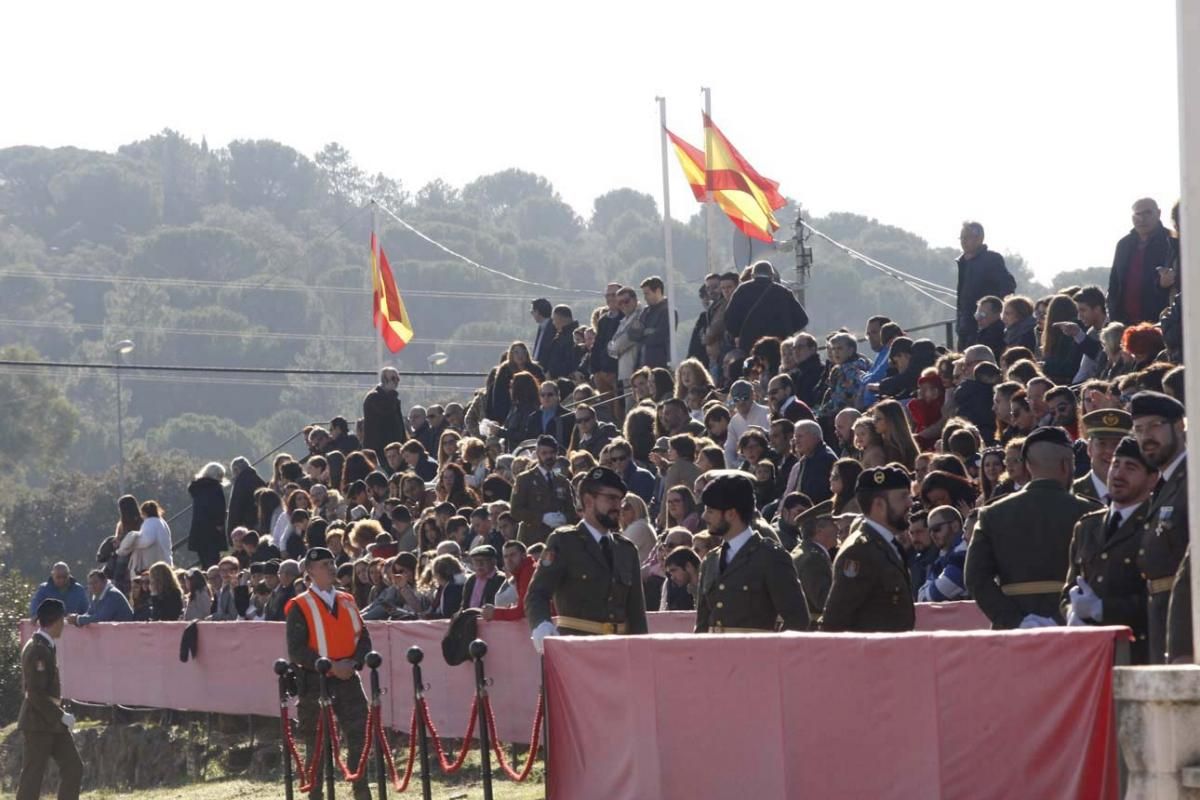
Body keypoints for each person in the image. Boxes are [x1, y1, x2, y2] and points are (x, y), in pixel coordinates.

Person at [964, 427, 1098, 629]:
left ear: (1027, 466)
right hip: (1074, 629)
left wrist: (1015, 620)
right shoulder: (1091, 513)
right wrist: (1062, 616)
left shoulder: (992, 514)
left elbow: (975, 578)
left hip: (1013, 633)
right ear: (1066, 465)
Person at [526, 466, 647, 651]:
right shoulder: (564, 542)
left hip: (619, 651)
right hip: (576, 650)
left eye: (620, 500)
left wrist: (641, 651)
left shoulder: (626, 549)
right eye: (611, 498)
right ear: (589, 501)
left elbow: (636, 614)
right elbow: (537, 594)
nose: (618, 506)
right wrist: (541, 625)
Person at [286, 547, 373, 800]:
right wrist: (330, 666)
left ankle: (361, 788)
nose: (331, 568)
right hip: (316, 682)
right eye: (324, 564)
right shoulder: (300, 605)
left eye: (332, 562)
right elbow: (296, 650)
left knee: (360, 734)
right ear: (310, 571)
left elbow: (363, 637)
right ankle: (317, 793)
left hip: (348, 679)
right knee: (316, 744)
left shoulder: (347, 600)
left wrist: (354, 663)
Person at [1062, 436, 1157, 663]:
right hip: (1090, 656)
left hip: (1139, 656)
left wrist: (1103, 609)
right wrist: (1071, 612)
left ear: (1152, 479)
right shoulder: (1087, 526)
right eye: (1116, 464)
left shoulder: (1156, 527)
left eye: (1130, 467)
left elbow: (1161, 599)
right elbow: (1070, 589)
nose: (1118, 474)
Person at [694, 471, 809, 633]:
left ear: (731, 514)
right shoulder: (711, 560)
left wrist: (771, 653)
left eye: (711, 510)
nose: (704, 516)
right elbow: (702, 626)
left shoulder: (771, 557)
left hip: (758, 656)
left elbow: (797, 619)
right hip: (714, 655)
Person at [819, 466, 917, 632]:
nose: (910, 503)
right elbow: (835, 620)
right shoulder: (859, 551)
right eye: (903, 497)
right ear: (879, 505)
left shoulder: (889, 545)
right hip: (872, 655)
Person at [1130, 391, 1189, 664]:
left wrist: (1183, 646)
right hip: (1160, 620)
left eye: (1155, 426)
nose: (1146, 437)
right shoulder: (1164, 485)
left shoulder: (1191, 479)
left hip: (1188, 625)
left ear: (1179, 425)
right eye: (1139, 429)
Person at [17, 598, 83, 800]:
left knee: (74, 767)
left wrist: (59, 716)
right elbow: (35, 693)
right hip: (38, 723)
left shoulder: (44, 645)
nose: (63, 624)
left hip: (51, 722)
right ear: (55, 620)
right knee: (32, 778)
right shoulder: (38, 649)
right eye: (62, 619)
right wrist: (61, 716)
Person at [1108, 198, 1175, 325]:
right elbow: (1114, 284)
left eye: (1147, 213)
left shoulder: (1171, 241)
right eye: (1137, 214)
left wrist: (1164, 284)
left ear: (1158, 213)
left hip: (1160, 323)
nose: (1142, 219)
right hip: (1125, 323)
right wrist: (1114, 316)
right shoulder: (1123, 245)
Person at [722, 260, 809, 353]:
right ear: (772, 275)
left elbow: (729, 319)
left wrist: (740, 334)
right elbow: (802, 319)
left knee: (752, 366)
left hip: (750, 346)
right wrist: (786, 331)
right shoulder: (783, 292)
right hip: (778, 346)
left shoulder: (742, 290)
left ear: (752, 275)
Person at [955, 220, 1016, 349]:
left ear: (979, 239)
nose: (963, 241)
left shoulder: (992, 260)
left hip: (986, 328)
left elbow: (1008, 286)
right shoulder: (963, 262)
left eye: (967, 237)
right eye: (962, 238)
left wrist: (994, 311)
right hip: (965, 328)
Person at [510, 435, 579, 544]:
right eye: (544, 453)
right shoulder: (524, 479)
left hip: (559, 539)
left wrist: (564, 518)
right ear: (537, 454)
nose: (548, 456)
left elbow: (572, 512)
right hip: (533, 539)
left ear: (556, 454)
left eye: (552, 453)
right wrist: (541, 517)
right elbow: (515, 511)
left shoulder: (562, 481)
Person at [790, 500, 835, 624]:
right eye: (833, 523)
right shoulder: (813, 559)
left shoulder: (805, 551)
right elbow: (824, 601)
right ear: (819, 529)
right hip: (812, 632)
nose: (838, 528)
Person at [1072, 409, 1132, 503]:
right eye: (1102, 443)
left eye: (1117, 444)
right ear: (1089, 448)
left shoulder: (1139, 494)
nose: (1109, 451)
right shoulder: (1072, 494)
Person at [916, 506, 969, 602]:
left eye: (936, 529)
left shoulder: (963, 555)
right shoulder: (942, 556)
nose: (932, 535)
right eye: (930, 531)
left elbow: (931, 598)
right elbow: (920, 596)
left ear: (955, 526)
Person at [185, 462, 228, 569]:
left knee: (204, 562)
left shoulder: (197, 488)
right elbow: (219, 508)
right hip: (212, 532)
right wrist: (220, 524)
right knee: (214, 563)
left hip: (199, 531)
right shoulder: (215, 488)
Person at [785, 420, 837, 504]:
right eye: (795, 437)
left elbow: (816, 495)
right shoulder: (808, 458)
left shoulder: (824, 459)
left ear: (815, 437)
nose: (796, 441)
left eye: (800, 436)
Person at [484, 540, 537, 622]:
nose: (508, 560)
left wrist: (494, 613)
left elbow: (522, 611)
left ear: (523, 556)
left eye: (513, 555)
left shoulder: (528, 571)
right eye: (505, 556)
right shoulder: (521, 572)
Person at [117, 500, 174, 575]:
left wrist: (133, 541)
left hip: (152, 562)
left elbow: (146, 540)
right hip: (165, 559)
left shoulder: (149, 522)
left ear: (144, 513)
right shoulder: (162, 522)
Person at [362, 366, 407, 459]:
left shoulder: (394, 399)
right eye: (393, 378)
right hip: (379, 449)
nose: (396, 381)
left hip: (395, 447)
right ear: (384, 380)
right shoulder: (373, 397)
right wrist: (392, 394)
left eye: (398, 378)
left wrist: (404, 441)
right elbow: (385, 410)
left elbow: (399, 422)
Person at [628, 276, 671, 368]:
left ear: (658, 291)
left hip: (659, 363)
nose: (645, 298)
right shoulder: (645, 311)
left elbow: (660, 336)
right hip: (641, 363)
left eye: (647, 294)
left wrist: (642, 333)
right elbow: (632, 334)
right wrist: (646, 332)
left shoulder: (668, 311)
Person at [68, 569, 134, 626]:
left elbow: (101, 618)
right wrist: (74, 618)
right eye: (90, 583)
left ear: (104, 581)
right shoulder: (97, 595)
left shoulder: (113, 594)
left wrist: (77, 619)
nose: (92, 586)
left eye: (95, 582)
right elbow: (89, 613)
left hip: (126, 634)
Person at [227, 457, 266, 533]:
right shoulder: (258, 479)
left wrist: (231, 530)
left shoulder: (241, 483)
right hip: (261, 523)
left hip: (246, 525)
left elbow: (235, 507)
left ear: (236, 470)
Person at [461, 544, 505, 610]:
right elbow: (464, 606)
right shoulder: (471, 580)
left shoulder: (500, 579)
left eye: (483, 560)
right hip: (470, 617)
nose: (479, 564)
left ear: (494, 561)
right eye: (476, 561)